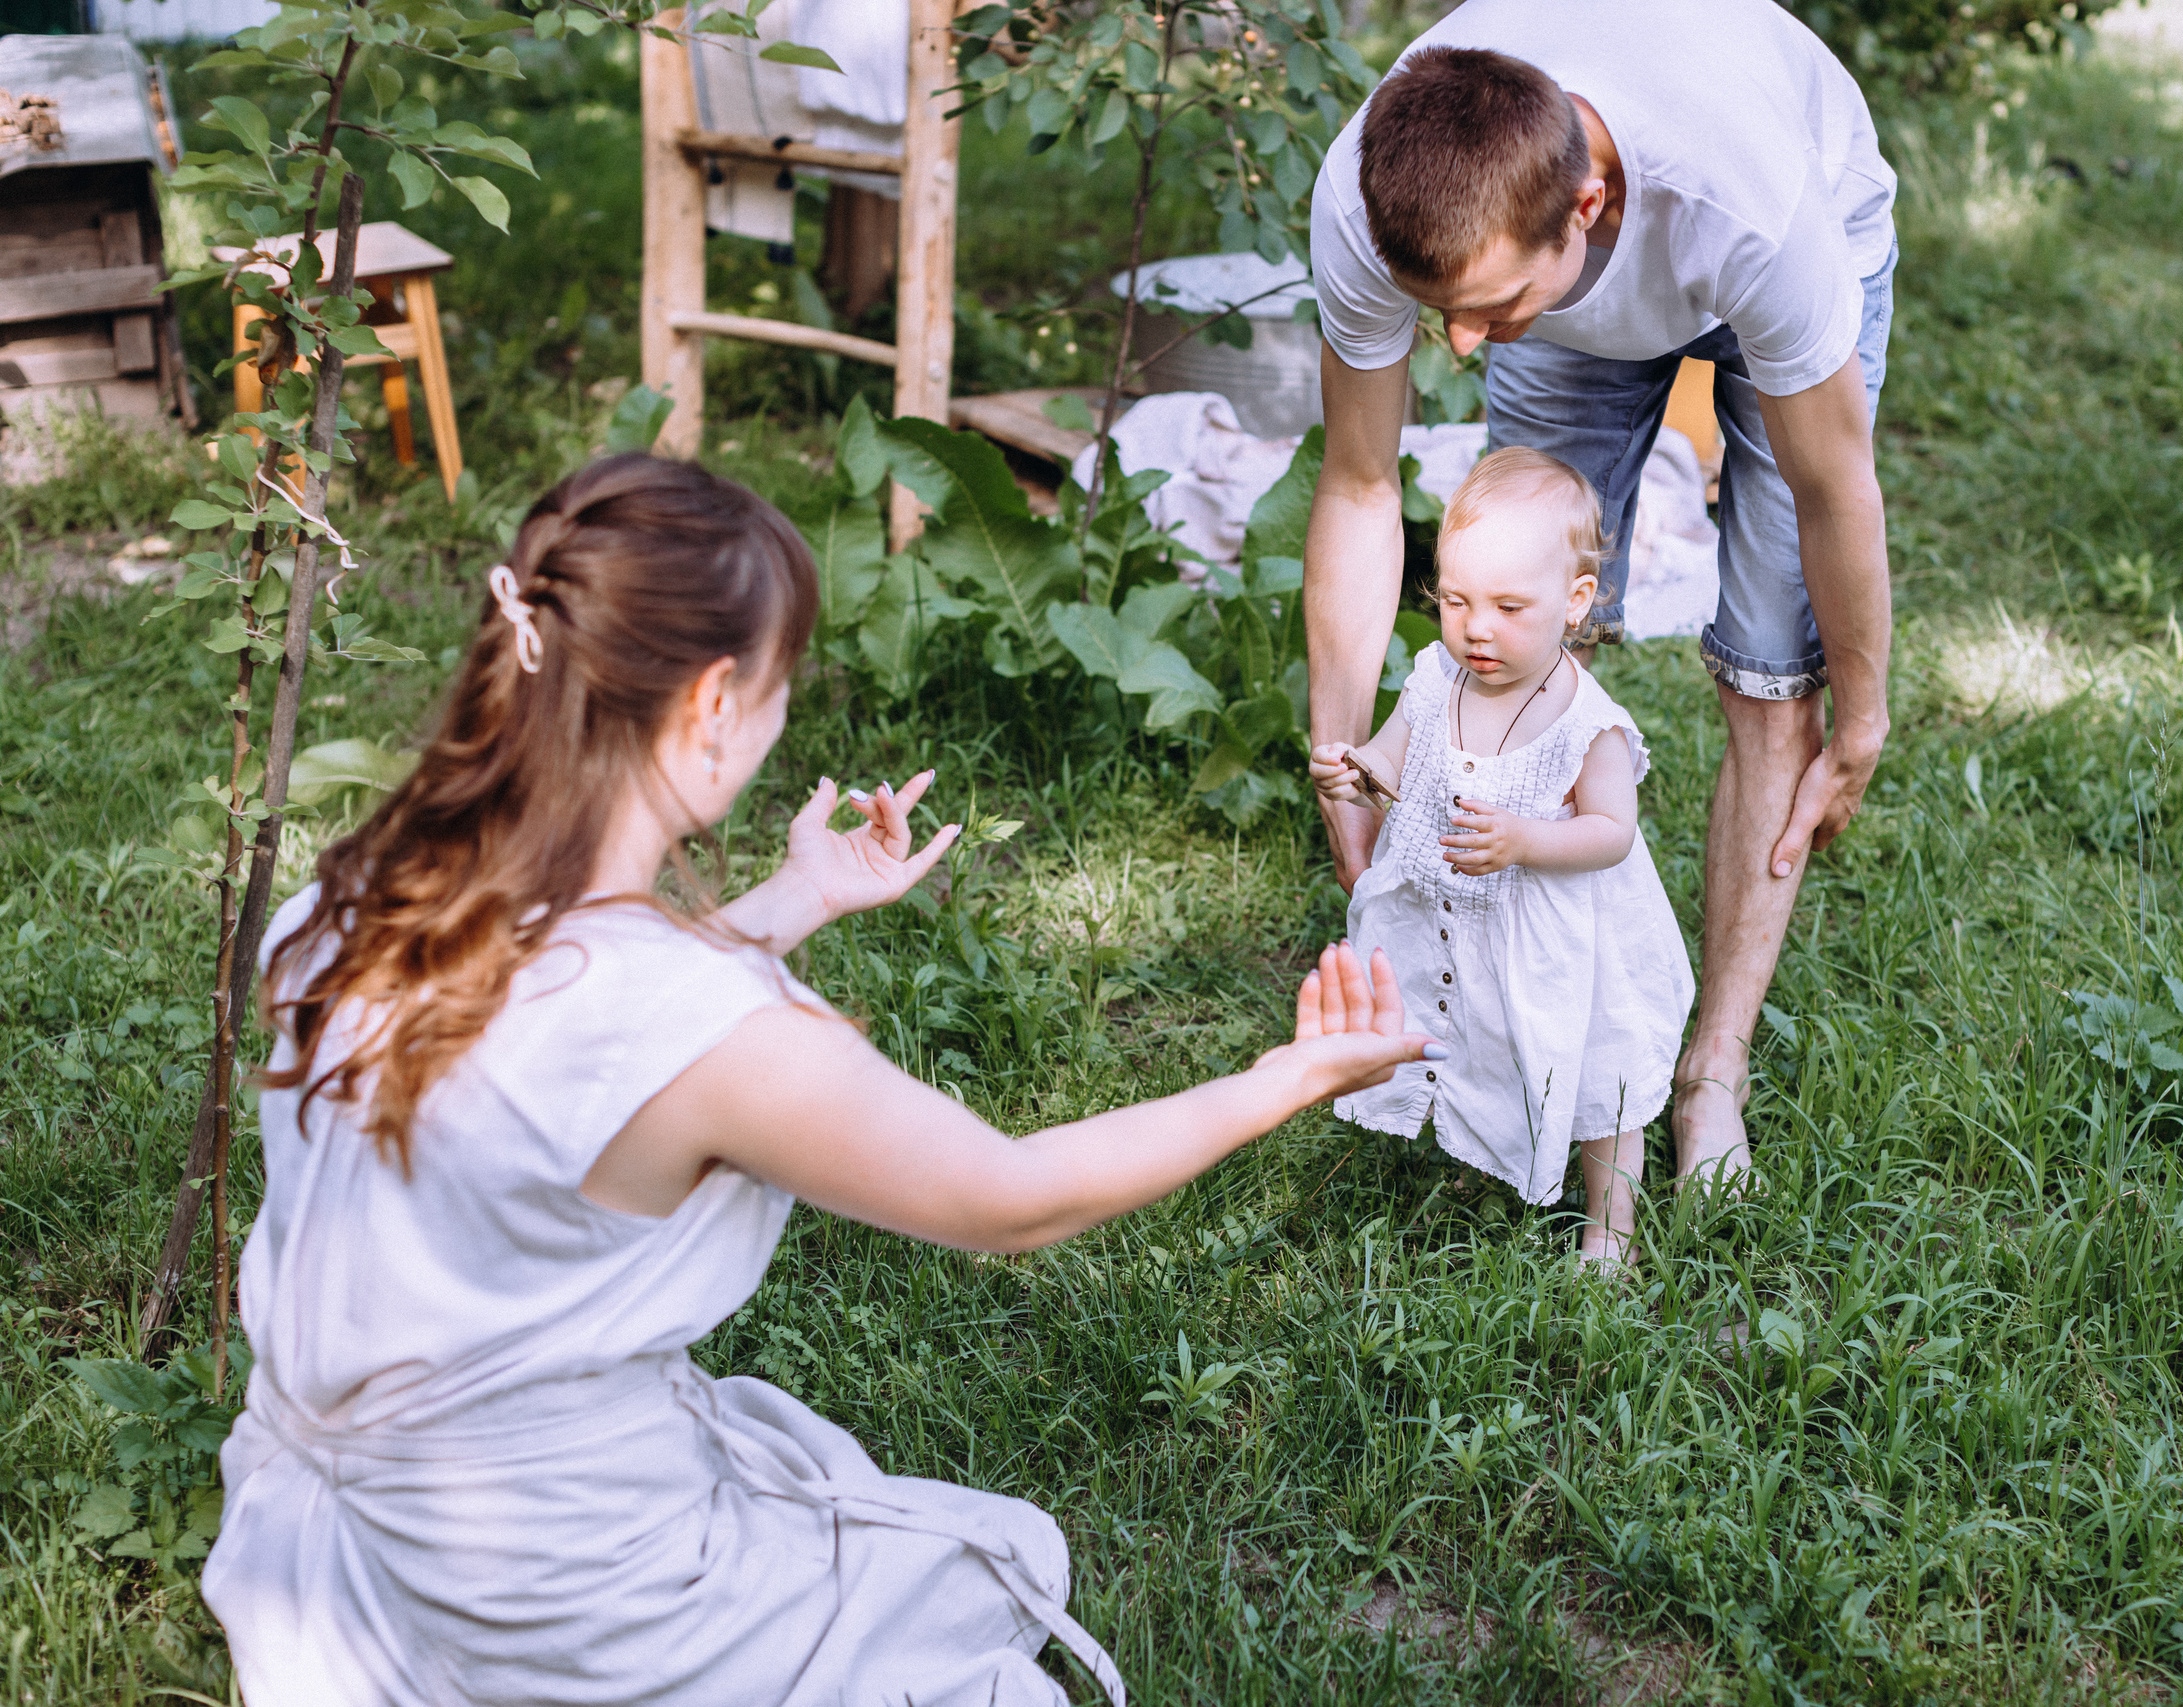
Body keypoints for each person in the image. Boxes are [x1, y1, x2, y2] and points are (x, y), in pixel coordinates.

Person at [201, 455, 1434, 1707]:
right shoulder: (717, 1035)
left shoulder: (347, 905)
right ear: (717, 701)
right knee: (955, 1619)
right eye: (785, 686)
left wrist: (799, 897)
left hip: (338, 1541)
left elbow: (565, 1030)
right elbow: (1010, 1198)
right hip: (561, 1597)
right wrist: (1288, 1076)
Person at [1303, 1, 1899, 1188]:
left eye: (1487, 310)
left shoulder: (1754, 209)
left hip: (1780, 227)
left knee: (1773, 667)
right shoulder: (1372, 203)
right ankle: (1525, 1010)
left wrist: (1867, 709)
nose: (1463, 347)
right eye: (1441, 314)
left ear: (1584, 207)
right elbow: (1363, 484)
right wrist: (1340, 749)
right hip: (1577, 287)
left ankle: (1708, 1071)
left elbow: (1834, 487)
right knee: (1523, 613)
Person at [1310, 449, 1694, 1264]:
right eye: (1455, 599)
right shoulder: (1436, 674)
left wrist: (1525, 841)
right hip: (1461, 917)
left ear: (1574, 602)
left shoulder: (1587, 722)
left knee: (1598, 1078)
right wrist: (1358, 771)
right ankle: (1482, 1152)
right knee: (1482, 1037)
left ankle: (1608, 1227)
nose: (1476, 627)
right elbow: (1393, 756)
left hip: (1566, 936)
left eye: (1509, 606)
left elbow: (1612, 832)